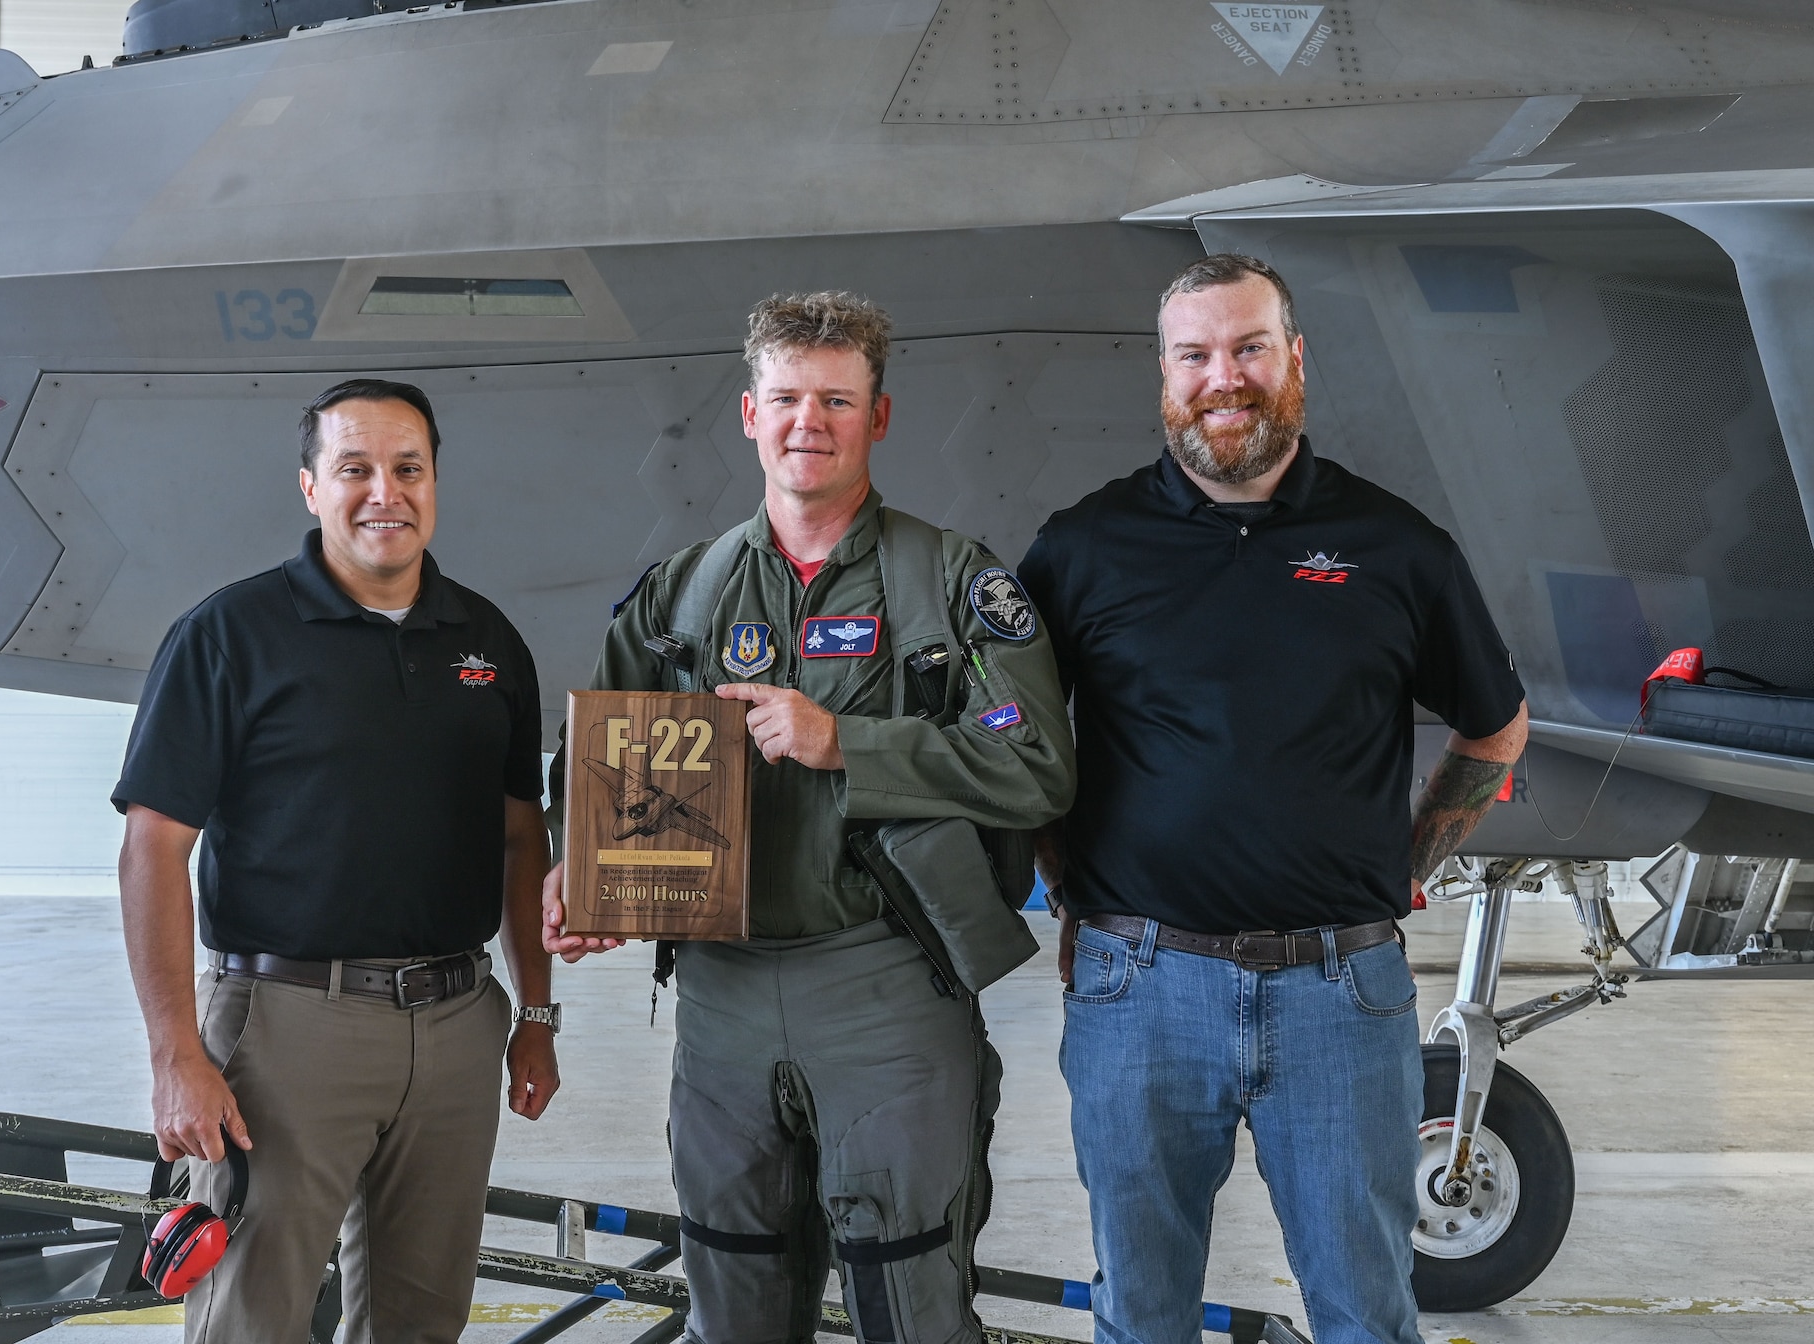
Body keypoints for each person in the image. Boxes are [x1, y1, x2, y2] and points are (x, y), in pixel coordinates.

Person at [543, 292, 1075, 1344]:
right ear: (748, 414)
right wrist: (576, 876)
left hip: (884, 988)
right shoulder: (681, 598)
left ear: (877, 418)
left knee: (909, 1295)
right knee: (732, 1294)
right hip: (720, 1002)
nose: (807, 421)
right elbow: (593, 773)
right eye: (785, 397)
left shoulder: (950, 584)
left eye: (836, 399)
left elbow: (1037, 768)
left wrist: (848, 743)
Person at [1019, 254, 1529, 1344]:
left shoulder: (1395, 547)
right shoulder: (1081, 547)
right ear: (1163, 375)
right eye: (1193, 354)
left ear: (1293, 359)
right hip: (1138, 991)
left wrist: (1413, 859)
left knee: (1363, 1316)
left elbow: (1495, 725)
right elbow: (1011, 735)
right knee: (1140, 1312)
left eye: (1248, 347)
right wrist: (1068, 890)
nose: (1223, 377)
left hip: (1340, 997)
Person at [112, 378, 562, 1344]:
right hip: (285, 1032)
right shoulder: (229, 636)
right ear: (310, 486)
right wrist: (176, 1054)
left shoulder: (488, 643)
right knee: (253, 1318)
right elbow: (154, 847)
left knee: (421, 1320)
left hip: (454, 1027)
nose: (383, 493)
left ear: (435, 483)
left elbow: (523, 836)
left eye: (408, 469)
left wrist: (534, 1015)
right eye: (354, 469)